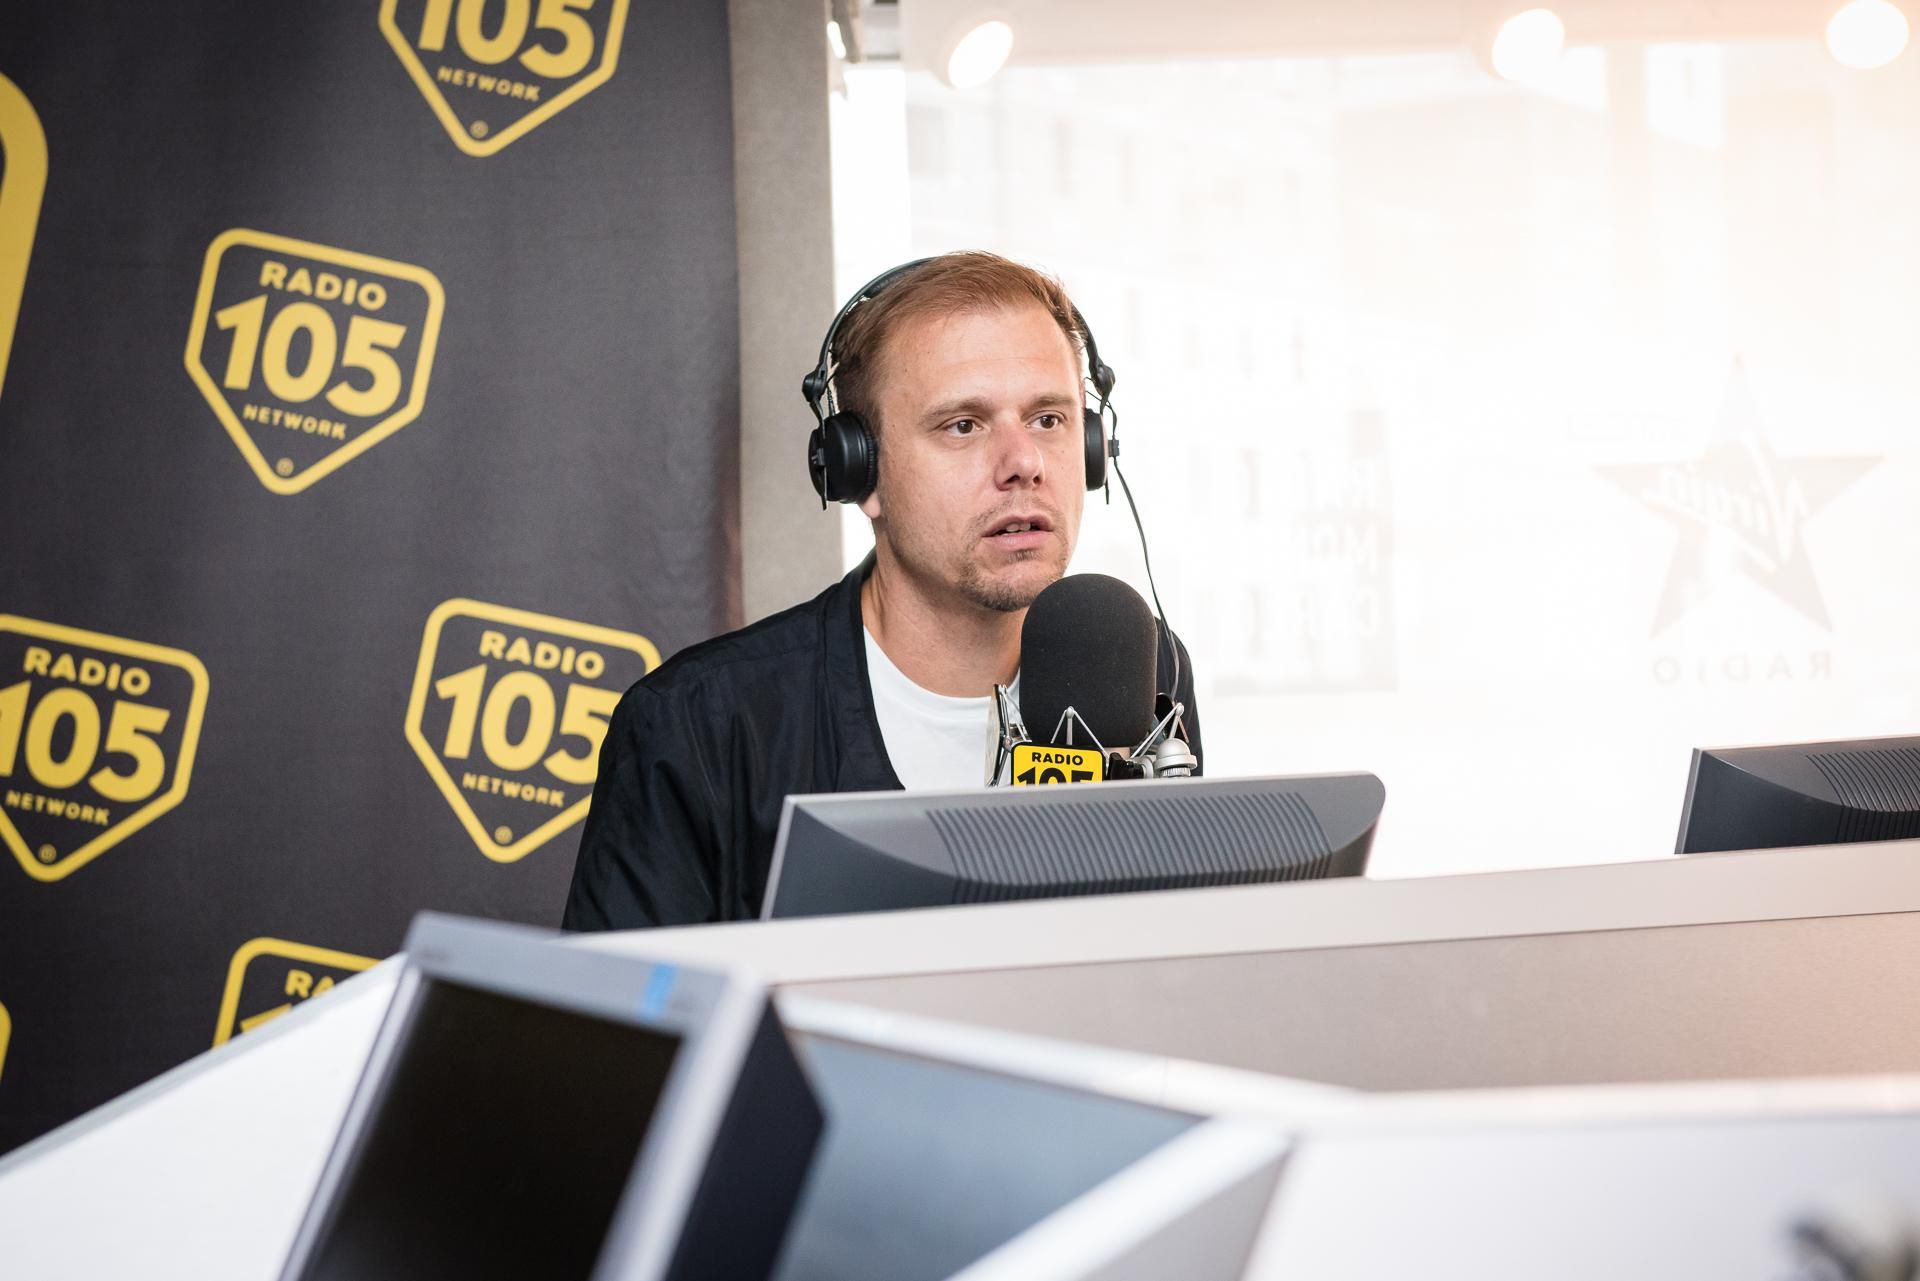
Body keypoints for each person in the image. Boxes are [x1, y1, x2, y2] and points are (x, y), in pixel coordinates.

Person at [562, 252, 1200, 930]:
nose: (1024, 463)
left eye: (1048, 419)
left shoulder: (1140, 667)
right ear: (859, 471)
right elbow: (635, 1000)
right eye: (963, 425)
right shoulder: (698, 724)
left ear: (1095, 447)